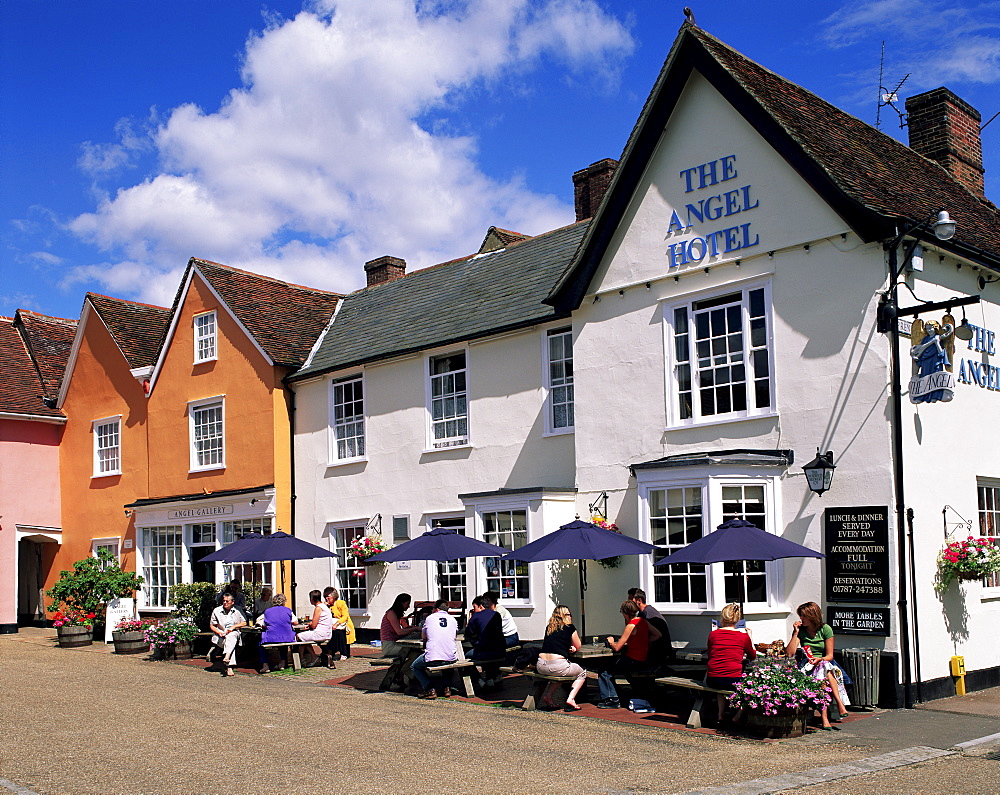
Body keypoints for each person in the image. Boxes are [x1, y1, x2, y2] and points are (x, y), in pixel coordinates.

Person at [785, 601, 850, 730]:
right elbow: (790, 653)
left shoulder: (825, 629)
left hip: (825, 662)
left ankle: (826, 718)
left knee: (824, 669)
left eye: (804, 616)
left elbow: (829, 655)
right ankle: (839, 704)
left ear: (812, 616)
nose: (801, 619)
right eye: (800, 616)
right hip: (807, 664)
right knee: (823, 675)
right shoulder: (802, 630)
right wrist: (795, 633)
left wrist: (819, 659)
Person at [597, 600, 662, 709]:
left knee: (604, 668)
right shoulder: (643, 621)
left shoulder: (631, 626)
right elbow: (658, 634)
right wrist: (645, 641)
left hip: (632, 660)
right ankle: (620, 694)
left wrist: (611, 641)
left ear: (625, 612)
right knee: (624, 671)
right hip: (643, 659)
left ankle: (612, 699)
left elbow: (617, 648)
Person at [706, 603, 756, 724]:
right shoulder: (742, 637)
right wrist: (751, 638)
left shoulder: (713, 634)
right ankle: (737, 716)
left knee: (720, 686)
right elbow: (752, 656)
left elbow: (710, 653)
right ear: (737, 620)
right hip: (732, 679)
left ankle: (720, 715)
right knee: (753, 688)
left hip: (713, 679)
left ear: (722, 618)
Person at [537, 605, 587, 710]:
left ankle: (548, 696)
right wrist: (574, 647)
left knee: (560, 673)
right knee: (582, 672)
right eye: (568, 614)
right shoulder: (570, 627)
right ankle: (571, 698)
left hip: (541, 665)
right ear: (563, 616)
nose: (571, 616)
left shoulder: (549, 628)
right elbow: (578, 645)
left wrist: (568, 647)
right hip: (557, 666)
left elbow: (556, 643)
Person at [410, 599, 459, 699]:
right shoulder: (453, 619)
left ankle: (430, 689)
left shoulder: (430, 618)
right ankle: (447, 688)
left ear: (436, 609)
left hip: (433, 657)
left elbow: (424, 637)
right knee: (447, 660)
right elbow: (455, 634)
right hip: (450, 657)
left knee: (414, 666)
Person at [379, 593, 421, 691]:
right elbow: (399, 631)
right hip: (389, 646)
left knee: (416, 654)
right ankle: (408, 673)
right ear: (401, 603)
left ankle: (404, 671)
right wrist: (416, 629)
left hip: (395, 643)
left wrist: (410, 628)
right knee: (410, 649)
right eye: (407, 604)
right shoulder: (391, 613)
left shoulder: (396, 614)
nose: (408, 606)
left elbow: (399, 631)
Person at [465, 595, 506, 688]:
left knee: (464, 657)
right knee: (488, 653)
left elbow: (469, 633)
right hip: (499, 651)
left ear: (480, 606)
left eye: (474, 607)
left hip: (484, 652)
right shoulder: (496, 615)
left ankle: (479, 680)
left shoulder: (476, 616)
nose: (473, 609)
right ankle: (490, 678)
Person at [628, 587, 673, 666]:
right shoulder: (642, 613)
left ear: (639, 601)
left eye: (631, 601)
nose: (629, 604)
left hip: (658, 654)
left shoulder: (649, 614)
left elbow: (656, 636)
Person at [209, 592, 247, 676]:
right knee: (230, 643)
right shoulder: (217, 611)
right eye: (224, 601)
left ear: (232, 602)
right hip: (220, 636)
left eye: (227, 601)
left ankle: (228, 662)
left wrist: (233, 627)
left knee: (231, 636)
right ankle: (228, 662)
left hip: (233, 633)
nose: (225, 603)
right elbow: (212, 625)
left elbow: (244, 623)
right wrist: (219, 632)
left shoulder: (238, 610)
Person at [257, 592, 295, 674]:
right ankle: (282, 663)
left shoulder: (267, 611)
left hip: (271, 637)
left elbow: (263, 623)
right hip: (287, 637)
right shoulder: (288, 610)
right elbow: (295, 622)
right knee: (283, 642)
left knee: (260, 643)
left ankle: (265, 665)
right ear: (284, 601)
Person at [296, 589, 334, 667]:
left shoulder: (318, 608)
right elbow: (319, 621)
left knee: (298, 636)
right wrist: (310, 624)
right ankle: (303, 659)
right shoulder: (324, 606)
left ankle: (312, 657)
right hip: (327, 632)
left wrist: (310, 625)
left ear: (312, 599)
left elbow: (314, 625)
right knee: (304, 639)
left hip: (321, 633)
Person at [323, 586, 355, 663]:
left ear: (334, 596)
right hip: (331, 625)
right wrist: (324, 607)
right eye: (325, 596)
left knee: (339, 633)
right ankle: (329, 651)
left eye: (328, 596)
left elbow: (345, 616)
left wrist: (337, 624)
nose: (327, 598)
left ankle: (344, 653)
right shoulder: (326, 606)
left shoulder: (341, 603)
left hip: (343, 625)